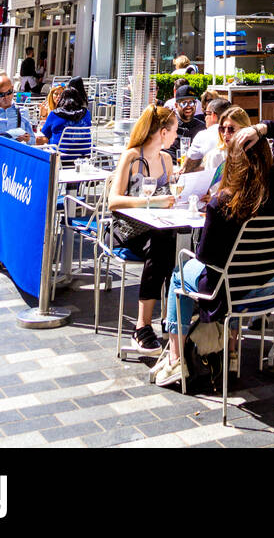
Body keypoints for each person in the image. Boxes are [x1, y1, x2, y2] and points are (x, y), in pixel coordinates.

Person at [152, 118, 274, 388]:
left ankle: (175, 358)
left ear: (233, 162)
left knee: (180, 275)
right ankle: (231, 350)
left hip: (231, 290)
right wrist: (259, 129)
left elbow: (208, 260)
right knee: (224, 271)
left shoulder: (222, 203)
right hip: (271, 284)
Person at [108, 104, 179, 359]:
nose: (175, 137)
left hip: (159, 227)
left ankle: (174, 321)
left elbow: (171, 195)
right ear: (162, 132)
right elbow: (113, 201)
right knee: (164, 244)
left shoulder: (167, 160)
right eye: (173, 132)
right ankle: (143, 325)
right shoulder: (131, 157)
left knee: (178, 246)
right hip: (128, 231)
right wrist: (152, 202)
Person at [36, 78, 92, 147]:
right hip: (85, 152)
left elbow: (44, 136)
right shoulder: (86, 113)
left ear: (62, 99)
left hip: (60, 154)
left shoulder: (54, 114)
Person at [183, 96, 232, 172]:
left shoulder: (203, 135)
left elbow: (187, 169)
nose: (205, 118)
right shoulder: (240, 132)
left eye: (206, 114)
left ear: (213, 116)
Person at [169, 85, 207, 158]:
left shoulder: (202, 127)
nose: (189, 106)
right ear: (176, 105)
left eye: (192, 102)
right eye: (184, 103)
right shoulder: (169, 127)